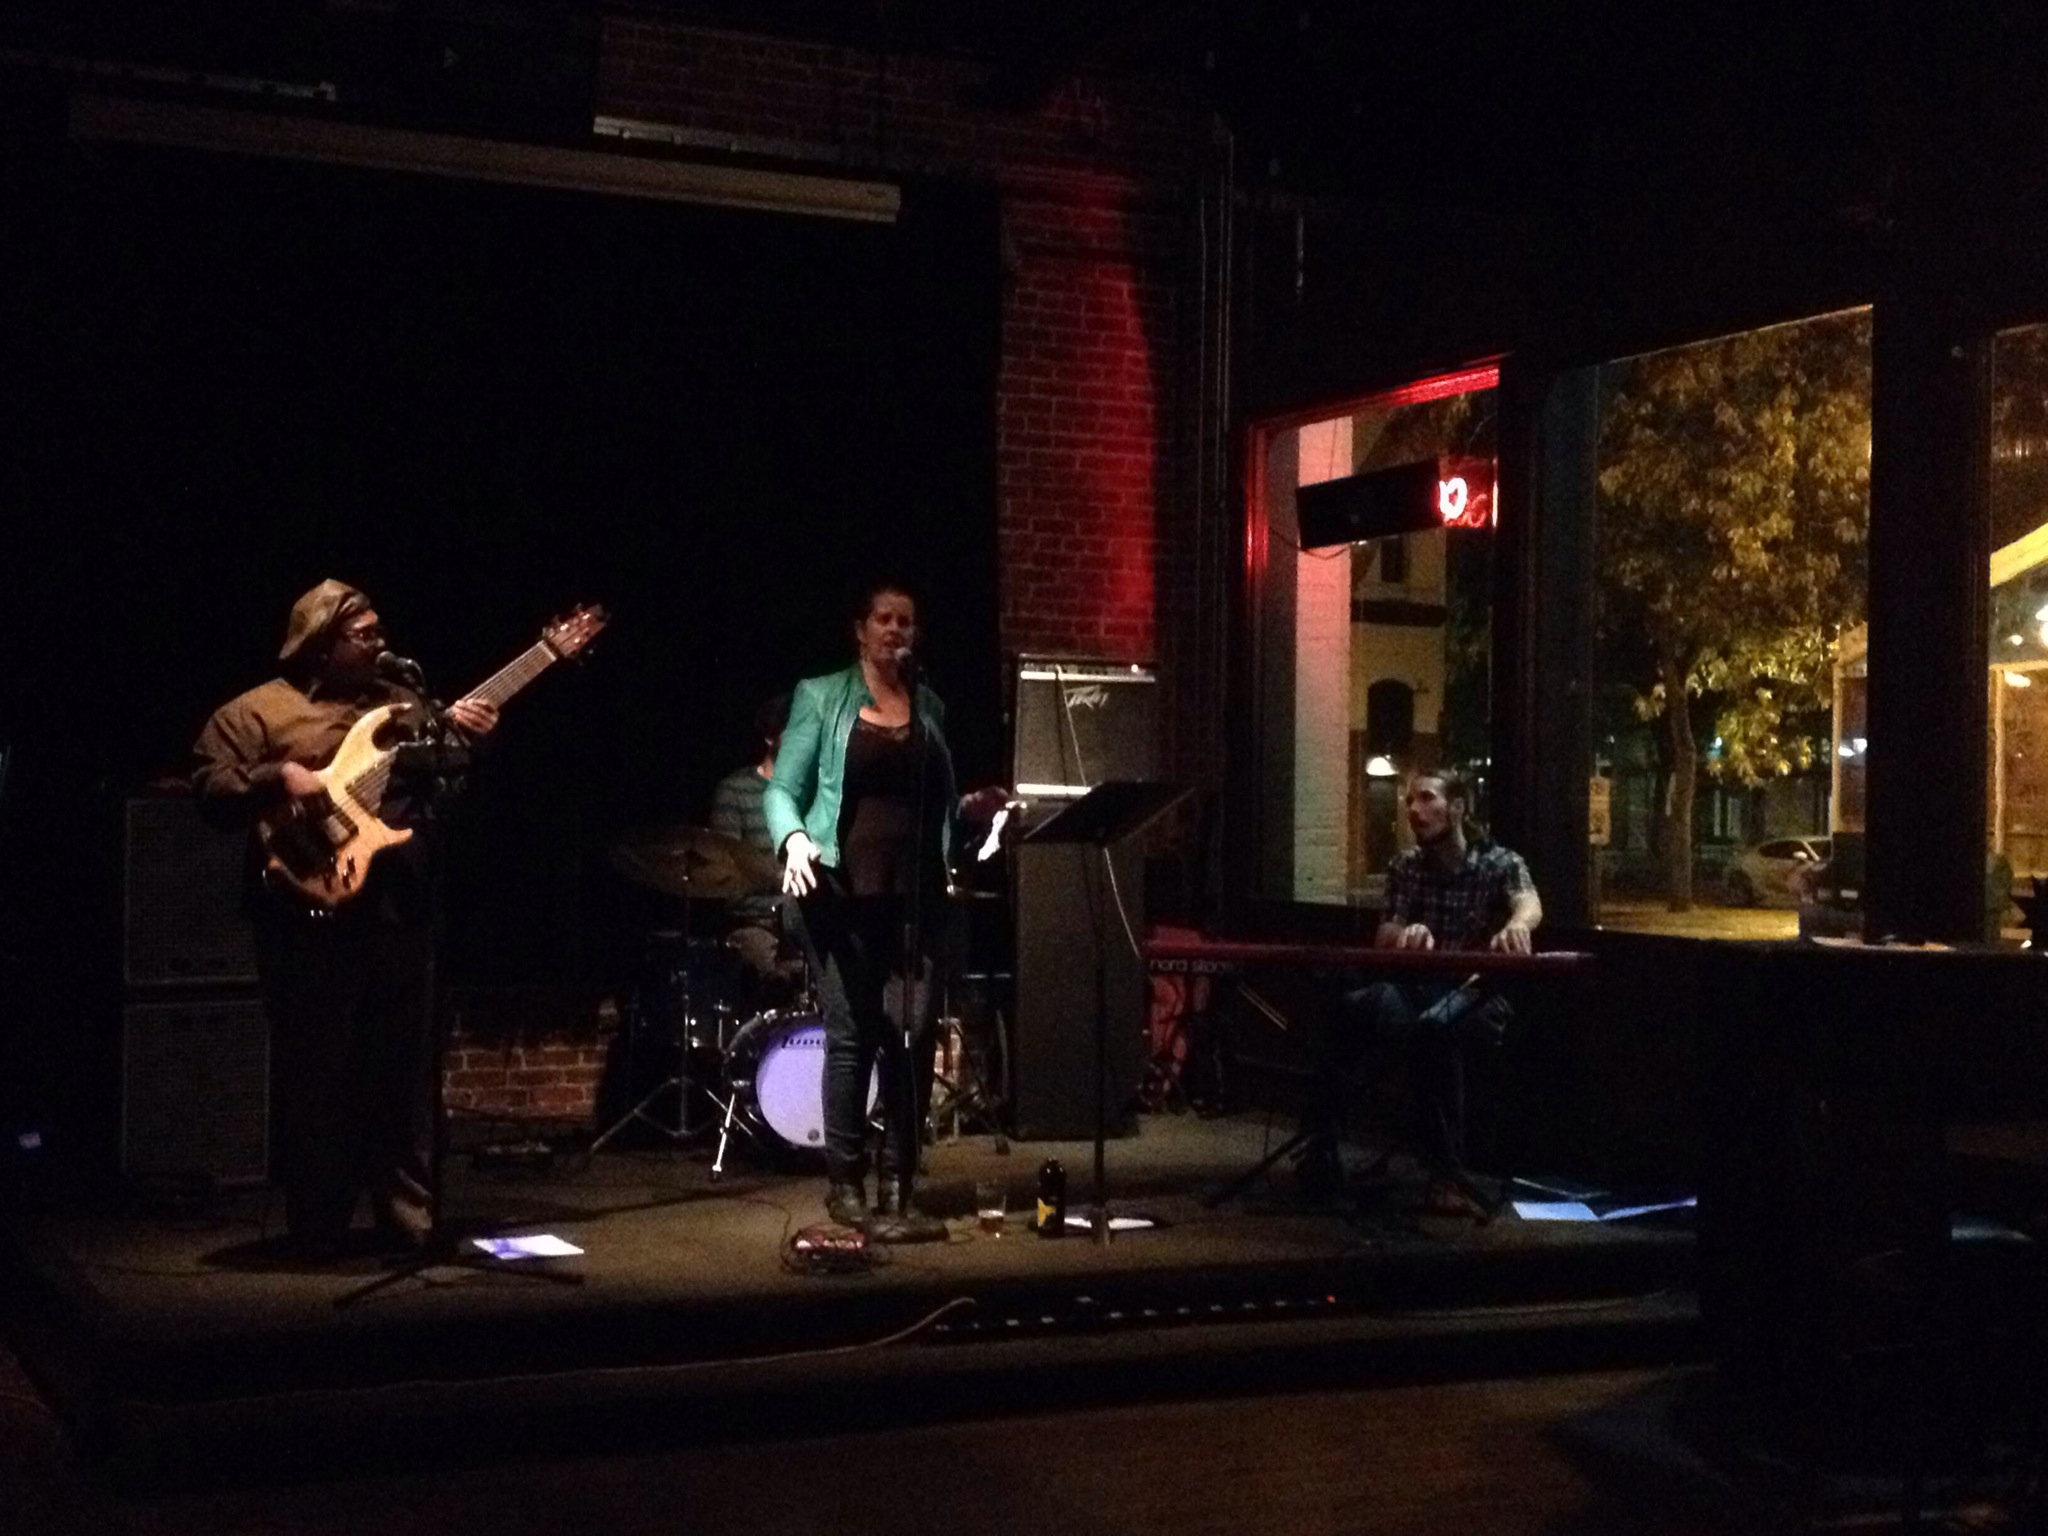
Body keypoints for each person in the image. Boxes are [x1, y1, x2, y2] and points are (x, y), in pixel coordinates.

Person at [190, 580, 498, 1260]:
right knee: (317, 1077)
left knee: (405, 1079)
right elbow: (209, 788)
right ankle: (318, 1229)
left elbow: (446, 788)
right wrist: (279, 776)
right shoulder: (255, 711)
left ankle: (409, 1226)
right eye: (364, 634)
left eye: (379, 630)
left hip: (401, 910)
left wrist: (468, 745)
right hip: (306, 918)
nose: (380, 641)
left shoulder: (405, 704)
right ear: (322, 644)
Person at [764, 581, 1002, 1239]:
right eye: (885, 619)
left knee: (914, 1035)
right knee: (853, 1036)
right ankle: (845, 1183)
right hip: (840, 893)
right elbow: (782, 790)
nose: (897, 630)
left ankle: (900, 1181)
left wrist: (969, 809)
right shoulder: (821, 696)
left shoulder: (928, 704)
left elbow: (932, 802)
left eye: (907, 621)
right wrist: (793, 838)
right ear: (861, 630)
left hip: (916, 898)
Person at [1311, 767, 1542, 1217]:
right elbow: (1386, 932)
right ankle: (1320, 1146)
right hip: (1414, 986)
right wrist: (1404, 935)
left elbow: (1528, 902)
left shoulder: (1499, 862)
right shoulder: (1406, 866)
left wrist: (1517, 926)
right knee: (1349, 1007)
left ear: (1457, 807)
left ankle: (1446, 1174)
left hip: (1474, 991)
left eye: (1427, 798)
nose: (1414, 810)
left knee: (1435, 1030)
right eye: (1410, 801)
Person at [709, 692, 792, 1000]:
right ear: (771, 737)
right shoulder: (735, 791)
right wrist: (779, 884)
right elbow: (727, 876)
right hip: (757, 924)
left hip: (808, 924)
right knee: (778, 977)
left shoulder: (815, 793)